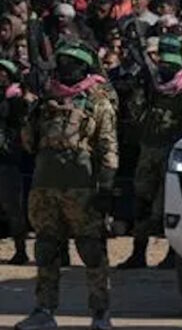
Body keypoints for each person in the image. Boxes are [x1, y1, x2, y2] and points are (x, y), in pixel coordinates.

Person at [16, 42, 118, 330]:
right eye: (62, 61)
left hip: (81, 188)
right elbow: (29, 143)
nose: (65, 68)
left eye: (72, 62)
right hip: (45, 186)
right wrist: (31, 110)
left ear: (84, 66)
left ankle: (100, 313)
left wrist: (106, 187)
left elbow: (108, 146)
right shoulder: (46, 100)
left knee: (92, 251)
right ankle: (44, 310)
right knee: (46, 249)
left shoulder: (97, 101)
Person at [119, 37, 182, 270]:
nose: (164, 69)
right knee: (141, 204)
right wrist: (139, 90)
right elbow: (136, 115)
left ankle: (172, 254)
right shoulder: (154, 89)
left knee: (170, 206)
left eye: (170, 65)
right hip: (149, 151)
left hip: (172, 156)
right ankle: (138, 253)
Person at [0, 58, 30, 265]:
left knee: (12, 207)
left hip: (7, 158)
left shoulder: (16, 99)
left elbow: (21, 122)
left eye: (3, 72)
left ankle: (21, 250)